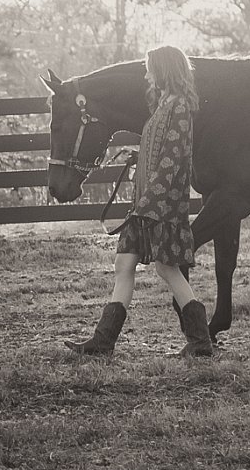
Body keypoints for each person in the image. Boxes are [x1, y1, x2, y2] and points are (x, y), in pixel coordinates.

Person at [71, 44, 213, 357]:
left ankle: (200, 341)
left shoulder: (180, 107)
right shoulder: (164, 105)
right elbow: (162, 148)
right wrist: (140, 154)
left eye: (150, 69)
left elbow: (173, 157)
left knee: (167, 269)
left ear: (164, 70)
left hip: (160, 203)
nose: (146, 75)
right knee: (125, 264)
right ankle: (103, 341)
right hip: (145, 200)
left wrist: (151, 201)